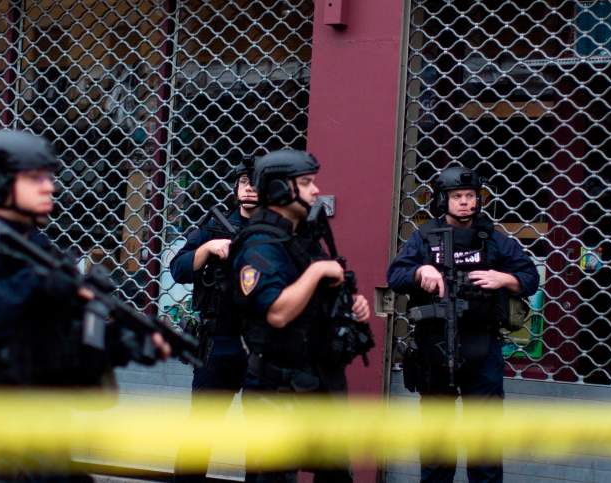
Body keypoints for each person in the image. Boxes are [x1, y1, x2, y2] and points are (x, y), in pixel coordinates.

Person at [0, 129, 172, 482]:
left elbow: (60, 341)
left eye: (49, 177)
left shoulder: (42, 251)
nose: (49, 187)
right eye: (35, 178)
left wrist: (120, 343)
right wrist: (36, 284)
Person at [386, 166, 538, 483]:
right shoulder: (424, 238)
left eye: (471, 196)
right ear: (443, 200)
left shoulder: (494, 240)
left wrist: (503, 278)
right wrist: (419, 273)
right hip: (435, 348)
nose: (466, 202)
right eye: (457, 197)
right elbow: (395, 276)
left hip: (482, 348)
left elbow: (530, 279)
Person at [230, 149, 371, 483]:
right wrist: (319, 271)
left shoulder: (302, 240)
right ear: (279, 189)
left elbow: (317, 301)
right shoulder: (259, 245)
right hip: (275, 392)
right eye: (306, 183)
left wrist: (350, 307)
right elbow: (277, 313)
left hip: (316, 384)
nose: (315, 190)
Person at [168, 158, 256, 482]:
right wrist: (207, 248)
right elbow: (178, 270)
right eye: (245, 181)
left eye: (257, 183)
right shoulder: (216, 226)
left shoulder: (277, 230)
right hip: (218, 342)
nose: (250, 189)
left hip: (261, 345)